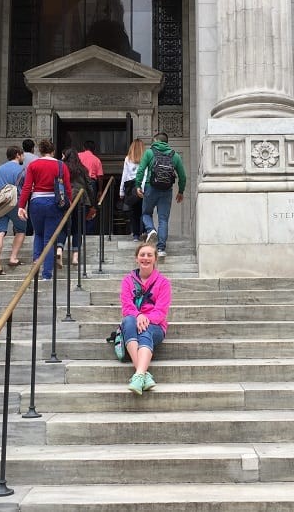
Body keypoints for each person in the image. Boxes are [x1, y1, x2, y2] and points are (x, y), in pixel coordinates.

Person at [119, 243, 172, 395]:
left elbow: (161, 311)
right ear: (136, 258)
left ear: (155, 259)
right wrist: (138, 315)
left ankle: (138, 374)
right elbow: (126, 306)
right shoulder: (128, 281)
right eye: (142, 254)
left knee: (145, 330)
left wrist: (145, 318)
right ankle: (142, 374)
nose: (145, 258)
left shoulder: (163, 283)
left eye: (150, 255)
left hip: (155, 326)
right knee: (128, 320)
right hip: (133, 323)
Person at [17, 139, 72, 280]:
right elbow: (67, 188)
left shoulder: (33, 165)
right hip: (54, 203)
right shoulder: (61, 165)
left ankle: (36, 263)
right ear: (53, 151)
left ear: (39, 151)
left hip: (36, 202)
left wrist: (21, 206)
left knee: (38, 234)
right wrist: (69, 204)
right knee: (49, 239)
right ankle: (46, 274)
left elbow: (27, 187)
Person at [134, 131, 187, 257]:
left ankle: (151, 230)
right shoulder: (175, 156)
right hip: (167, 190)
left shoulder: (149, 152)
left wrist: (137, 185)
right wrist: (180, 191)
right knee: (163, 219)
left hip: (150, 187)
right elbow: (183, 176)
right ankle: (161, 249)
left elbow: (141, 170)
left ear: (156, 141)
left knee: (146, 213)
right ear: (166, 142)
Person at [0, 146, 26, 276]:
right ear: (18, 155)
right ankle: (13, 258)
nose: (23, 157)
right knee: (21, 230)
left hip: (0, 203)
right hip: (16, 202)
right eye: (22, 155)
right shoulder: (22, 169)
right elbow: (26, 187)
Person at [58, 147, 95, 267]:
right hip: (81, 199)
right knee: (77, 229)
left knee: (63, 226)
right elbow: (89, 186)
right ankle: (75, 257)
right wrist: (92, 203)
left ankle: (59, 249)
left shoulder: (62, 167)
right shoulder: (82, 169)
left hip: (65, 199)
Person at [119, 138, 146, 241]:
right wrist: (142, 187)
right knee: (144, 211)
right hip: (142, 186)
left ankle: (135, 234)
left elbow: (124, 176)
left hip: (130, 187)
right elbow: (146, 173)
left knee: (134, 212)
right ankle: (144, 231)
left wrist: (121, 191)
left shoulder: (128, 159)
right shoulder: (145, 158)